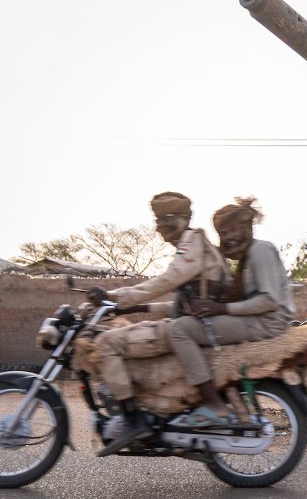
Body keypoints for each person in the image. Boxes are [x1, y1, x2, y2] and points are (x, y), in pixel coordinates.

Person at [90, 191, 228, 456]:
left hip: (193, 328)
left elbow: (169, 280)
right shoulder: (197, 245)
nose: (160, 226)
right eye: (158, 220)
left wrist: (116, 296)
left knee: (107, 342)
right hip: (197, 323)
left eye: (168, 219)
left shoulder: (191, 241)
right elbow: (181, 301)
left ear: (184, 218)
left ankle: (134, 420)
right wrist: (139, 307)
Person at [168, 196, 294, 427]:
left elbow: (269, 300)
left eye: (234, 230)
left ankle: (213, 404)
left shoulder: (260, 250)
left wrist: (221, 308)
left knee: (179, 330)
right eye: (224, 233)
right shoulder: (247, 258)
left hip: (267, 322)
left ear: (248, 227)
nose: (229, 237)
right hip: (259, 319)